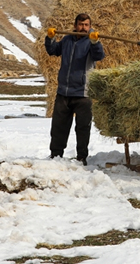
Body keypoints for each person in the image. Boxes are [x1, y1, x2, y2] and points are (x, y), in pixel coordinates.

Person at [45, 13, 105, 165]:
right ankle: (56, 156)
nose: (83, 28)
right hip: (63, 92)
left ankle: (82, 157)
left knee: (83, 128)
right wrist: (50, 38)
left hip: (83, 93)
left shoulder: (91, 42)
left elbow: (99, 56)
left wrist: (95, 42)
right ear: (75, 25)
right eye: (80, 24)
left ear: (90, 26)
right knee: (59, 127)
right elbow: (53, 50)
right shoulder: (67, 39)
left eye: (86, 25)